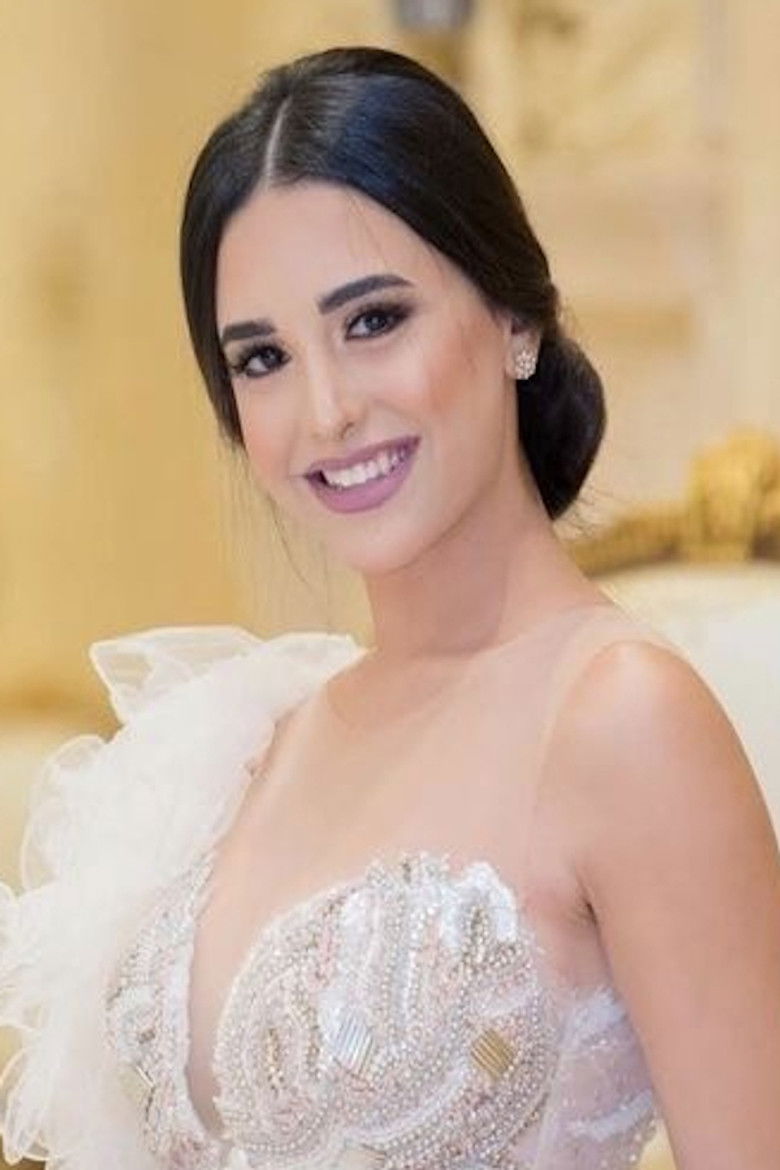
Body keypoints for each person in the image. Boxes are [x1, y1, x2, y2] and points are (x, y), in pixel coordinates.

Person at [2, 44, 779, 1170]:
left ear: (515, 319)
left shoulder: (624, 721)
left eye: (372, 322)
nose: (326, 411)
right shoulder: (255, 738)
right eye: (262, 358)